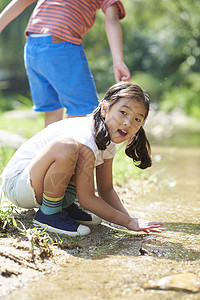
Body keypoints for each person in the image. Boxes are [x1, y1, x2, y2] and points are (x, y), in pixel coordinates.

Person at [1, 82, 165, 237]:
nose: (128, 122)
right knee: (67, 146)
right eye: (123, 112)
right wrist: (128, 222)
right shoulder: (86, 135)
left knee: (73, 153)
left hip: (36, 184)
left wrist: (130, 221)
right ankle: (49, 214)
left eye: (137, 119)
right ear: (105, 109)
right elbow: (87, 199)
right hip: (19, 185)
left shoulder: (108, 144)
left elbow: (106, 189)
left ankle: (64, 206)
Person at [0, 0, 131, 126]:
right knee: (79, 108)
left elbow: (21, 1)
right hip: (61, 45)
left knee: (53, 109)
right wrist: (118, 61)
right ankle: (72, 148)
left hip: (33, 46)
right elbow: (112, 19)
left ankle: (51, 148)